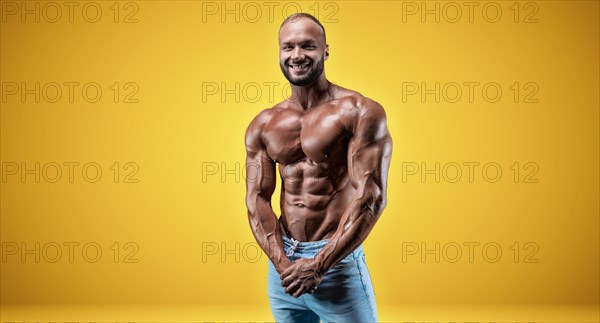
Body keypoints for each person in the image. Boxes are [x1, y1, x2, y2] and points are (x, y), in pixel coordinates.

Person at [244, 13, 392, 322]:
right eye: (288, 47)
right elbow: (256, 198)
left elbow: (371, 197)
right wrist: (283, 264)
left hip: (335, 262)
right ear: (280, 53)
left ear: (325, 50)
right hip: (281, 261)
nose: (297, 55)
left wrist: (320, 264)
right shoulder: (264, 123)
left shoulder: (359, 112)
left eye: (307, 46)